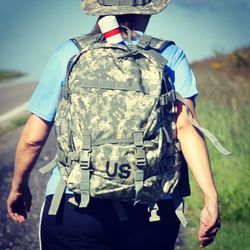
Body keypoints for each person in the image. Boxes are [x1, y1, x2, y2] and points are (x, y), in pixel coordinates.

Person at [7, 0, 222, 249]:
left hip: (74, 206)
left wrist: (19, 186)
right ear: (149, 9)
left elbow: (33, 139)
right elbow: (186, 129)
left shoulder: (70, 51)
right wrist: (210, 197)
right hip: (150, 208)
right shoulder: (169, 54)